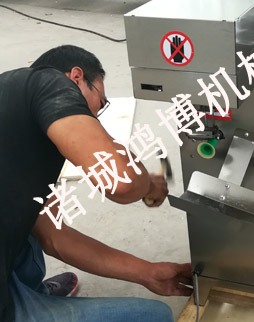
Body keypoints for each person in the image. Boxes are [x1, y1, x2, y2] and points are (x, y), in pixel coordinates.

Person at [0, 45, 192, 322]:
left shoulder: (13, 105)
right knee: (156, 315)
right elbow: (121, 183)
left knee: (29, 227)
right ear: (76, 77)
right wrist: (148, 185)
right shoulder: (48, 82)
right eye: (100, 102)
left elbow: (54, 237)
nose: (97, 115)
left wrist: (148, 273)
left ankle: (33, 292)